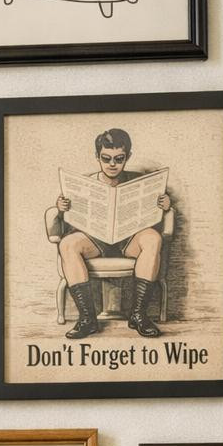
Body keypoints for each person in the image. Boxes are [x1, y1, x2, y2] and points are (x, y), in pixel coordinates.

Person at [51, 127, 171, 339]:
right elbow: (63, 221)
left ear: (128, 157)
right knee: (68, 244)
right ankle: (87, 319)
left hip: (128, 238)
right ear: (97, 156)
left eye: (119, 158)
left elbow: (157, 215)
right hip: (94, 240)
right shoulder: (84, 183)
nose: (112, 164)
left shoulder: (139, 181)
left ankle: (138, 315)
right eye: (106, 159)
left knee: (153, 238)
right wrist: (62, 208)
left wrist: (166, 205)